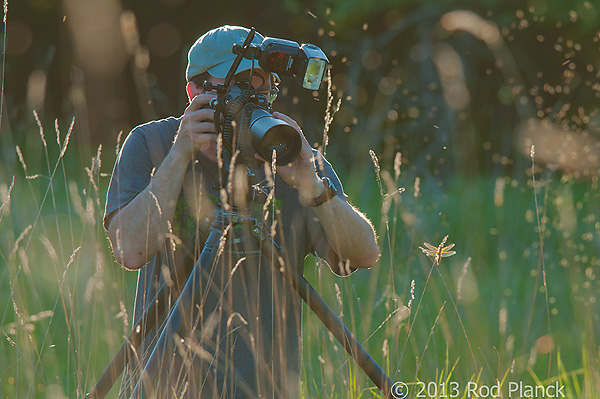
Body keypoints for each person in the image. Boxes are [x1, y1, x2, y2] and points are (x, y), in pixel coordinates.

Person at [104, 25, 379, 399]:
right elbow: (129, 250)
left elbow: (363, 254)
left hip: (264, 387)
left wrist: (312, 185)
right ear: (195, 91)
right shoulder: (153, 143)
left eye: (260, 86)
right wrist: (179, 155)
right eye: (236, 86)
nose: (251, 98)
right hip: (166, 384)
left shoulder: (287, 151)